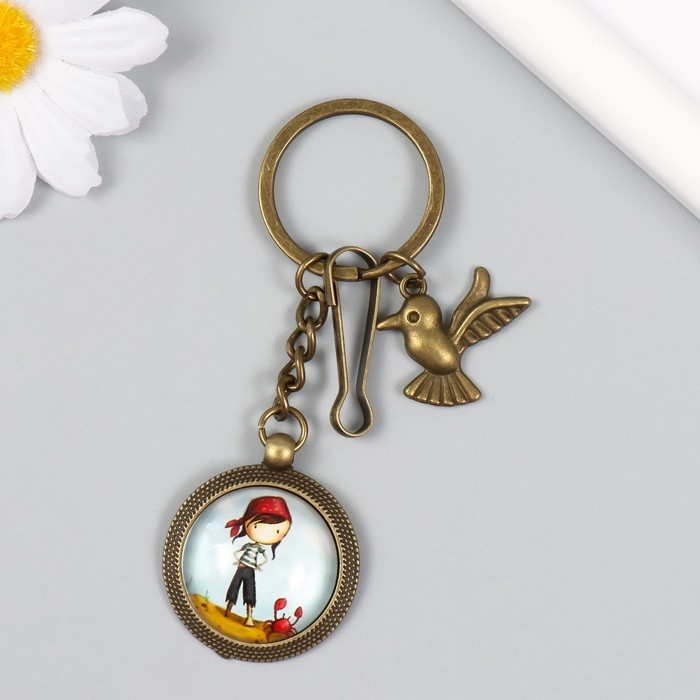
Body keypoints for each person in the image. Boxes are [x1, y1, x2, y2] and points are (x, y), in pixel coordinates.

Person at [223, 495, 292, 626]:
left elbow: (264, 558)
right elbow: (237, 552)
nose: (266, 534)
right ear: (246, 523)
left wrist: (258, 565)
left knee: (249, 592)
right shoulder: (248, 545)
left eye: (277, 530)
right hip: (241, 568)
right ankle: (227, 611)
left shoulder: (260, 549)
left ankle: (249, 617)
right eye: (257, 526)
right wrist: (237, 560)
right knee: (234, 589)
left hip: (249, 570)